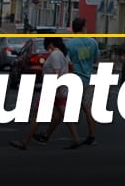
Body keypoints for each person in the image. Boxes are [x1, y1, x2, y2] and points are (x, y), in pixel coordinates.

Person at [10, 37, 69, 150]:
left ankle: (24, 142)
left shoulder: (55, 55)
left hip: (51, 89)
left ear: (50, 44)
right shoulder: (60, 54)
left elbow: (57, 72)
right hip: (56, 89)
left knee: (37, 116)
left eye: (47, 45)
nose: (47, 48)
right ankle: (75, 138)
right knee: (61, 113)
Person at [64, 17, 99, 150]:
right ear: (83, 27)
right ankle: (92, 136)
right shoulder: (93, 42)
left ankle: (76, 138)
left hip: (75, 78)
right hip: (88, 78)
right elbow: (96, 59)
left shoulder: (69, 45)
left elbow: (68, 63)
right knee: (87, 108)